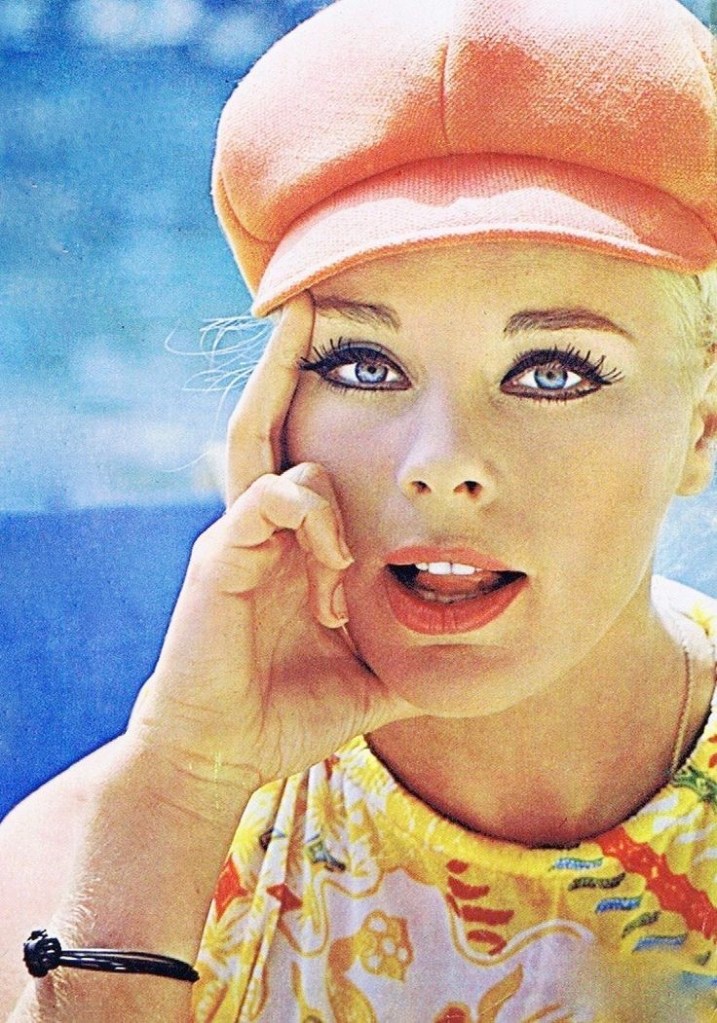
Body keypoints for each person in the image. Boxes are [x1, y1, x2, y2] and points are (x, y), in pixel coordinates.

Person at [1, 0, 717, 1019]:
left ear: (701, 427)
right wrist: (185, 786)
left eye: (552, 370)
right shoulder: (82, 876)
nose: (441, 464)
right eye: (364, 364)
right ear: (276, 418)